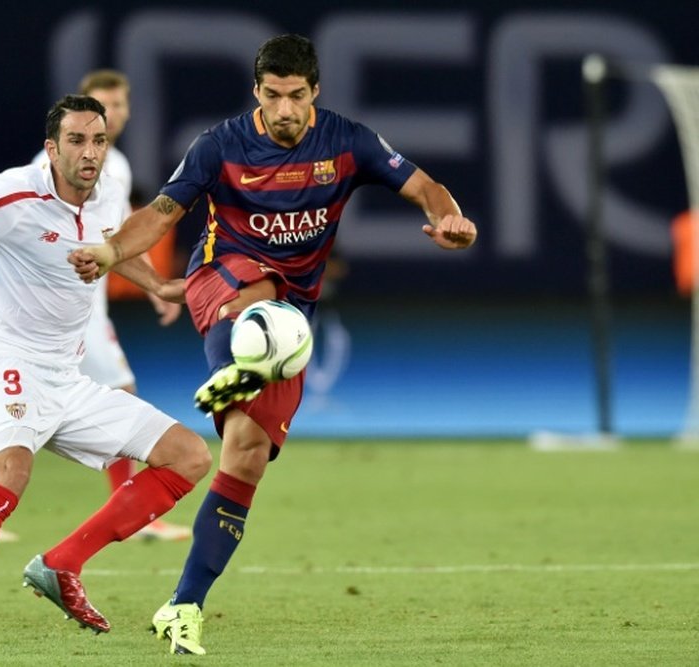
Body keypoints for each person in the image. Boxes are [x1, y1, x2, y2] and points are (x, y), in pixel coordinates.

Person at [69, 34, 478, 655]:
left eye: (295, 96)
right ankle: (243, 363)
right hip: (221, 283)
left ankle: (183, 605)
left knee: (245, 455)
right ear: (256, 92)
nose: (284, 109)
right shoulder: (220, 145)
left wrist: (450, 217)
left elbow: (425, 187)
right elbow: (160, 212)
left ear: (315, 92)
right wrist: (110, 251)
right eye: (272, 95)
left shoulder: (346, 141)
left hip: (292, 314)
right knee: (263, 300)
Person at [0, 94, 211, 649]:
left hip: (66, 376)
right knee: (10, 473)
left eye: (97, 140)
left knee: (189, 455)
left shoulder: (104, 196)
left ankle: (62, 563)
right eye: (76, 140)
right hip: (3, 361)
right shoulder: (13, 193)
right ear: (52, 149)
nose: (89, 152)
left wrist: (161, 287)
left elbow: (117, 246)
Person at [0, 70, 191, 543]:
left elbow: (113, 242)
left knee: (44, 420)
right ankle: (138, 515)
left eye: (118, 106)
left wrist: (156, 286)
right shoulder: (53, 166)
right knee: (116, 393)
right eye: (102, 105)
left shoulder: (115, 167)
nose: (111, 115)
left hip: (84, 310)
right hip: (51, 320)